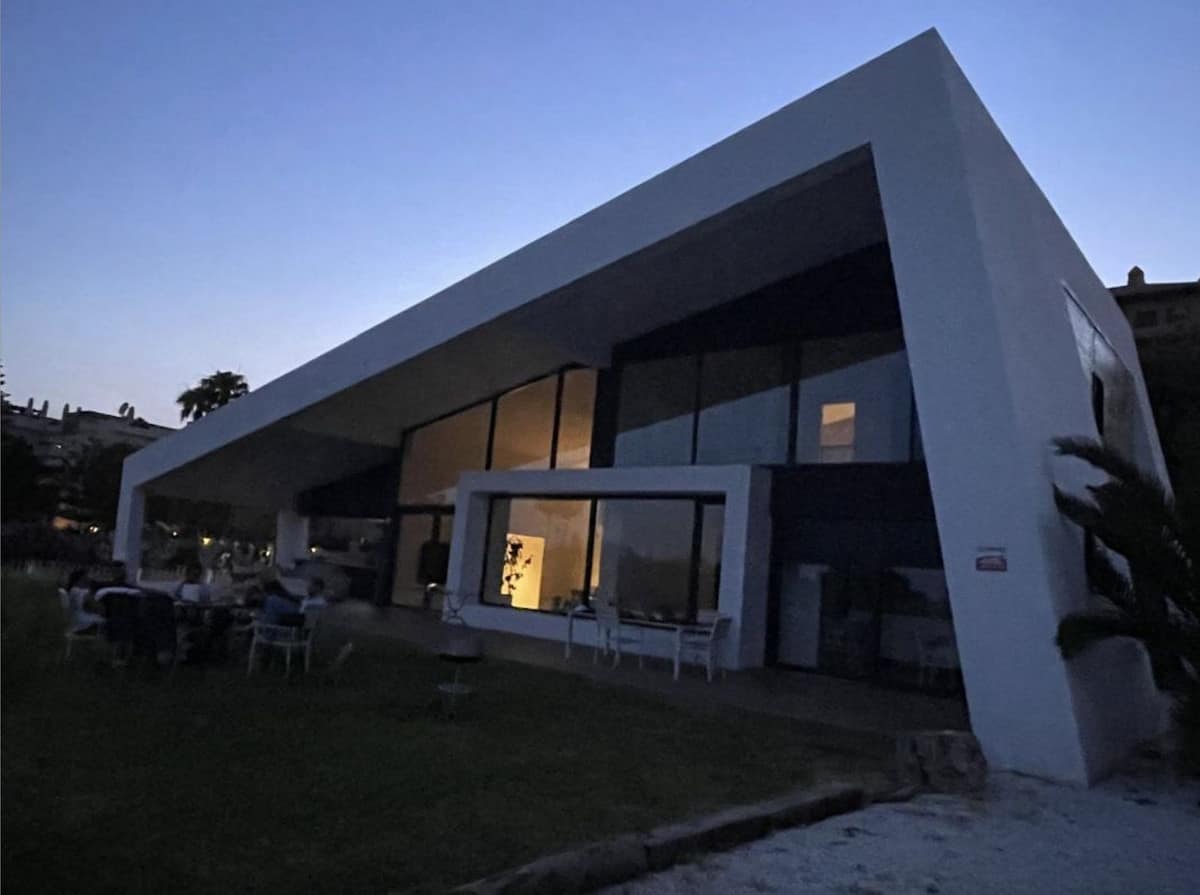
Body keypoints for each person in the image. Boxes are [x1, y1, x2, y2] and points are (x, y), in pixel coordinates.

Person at [63, 568, 105, 634]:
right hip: (85, 622)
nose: (90, 577)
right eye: (87, 576)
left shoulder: (72, 590)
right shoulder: (83, 592)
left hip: (74, 620)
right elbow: (97, 607)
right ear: (82, 578)